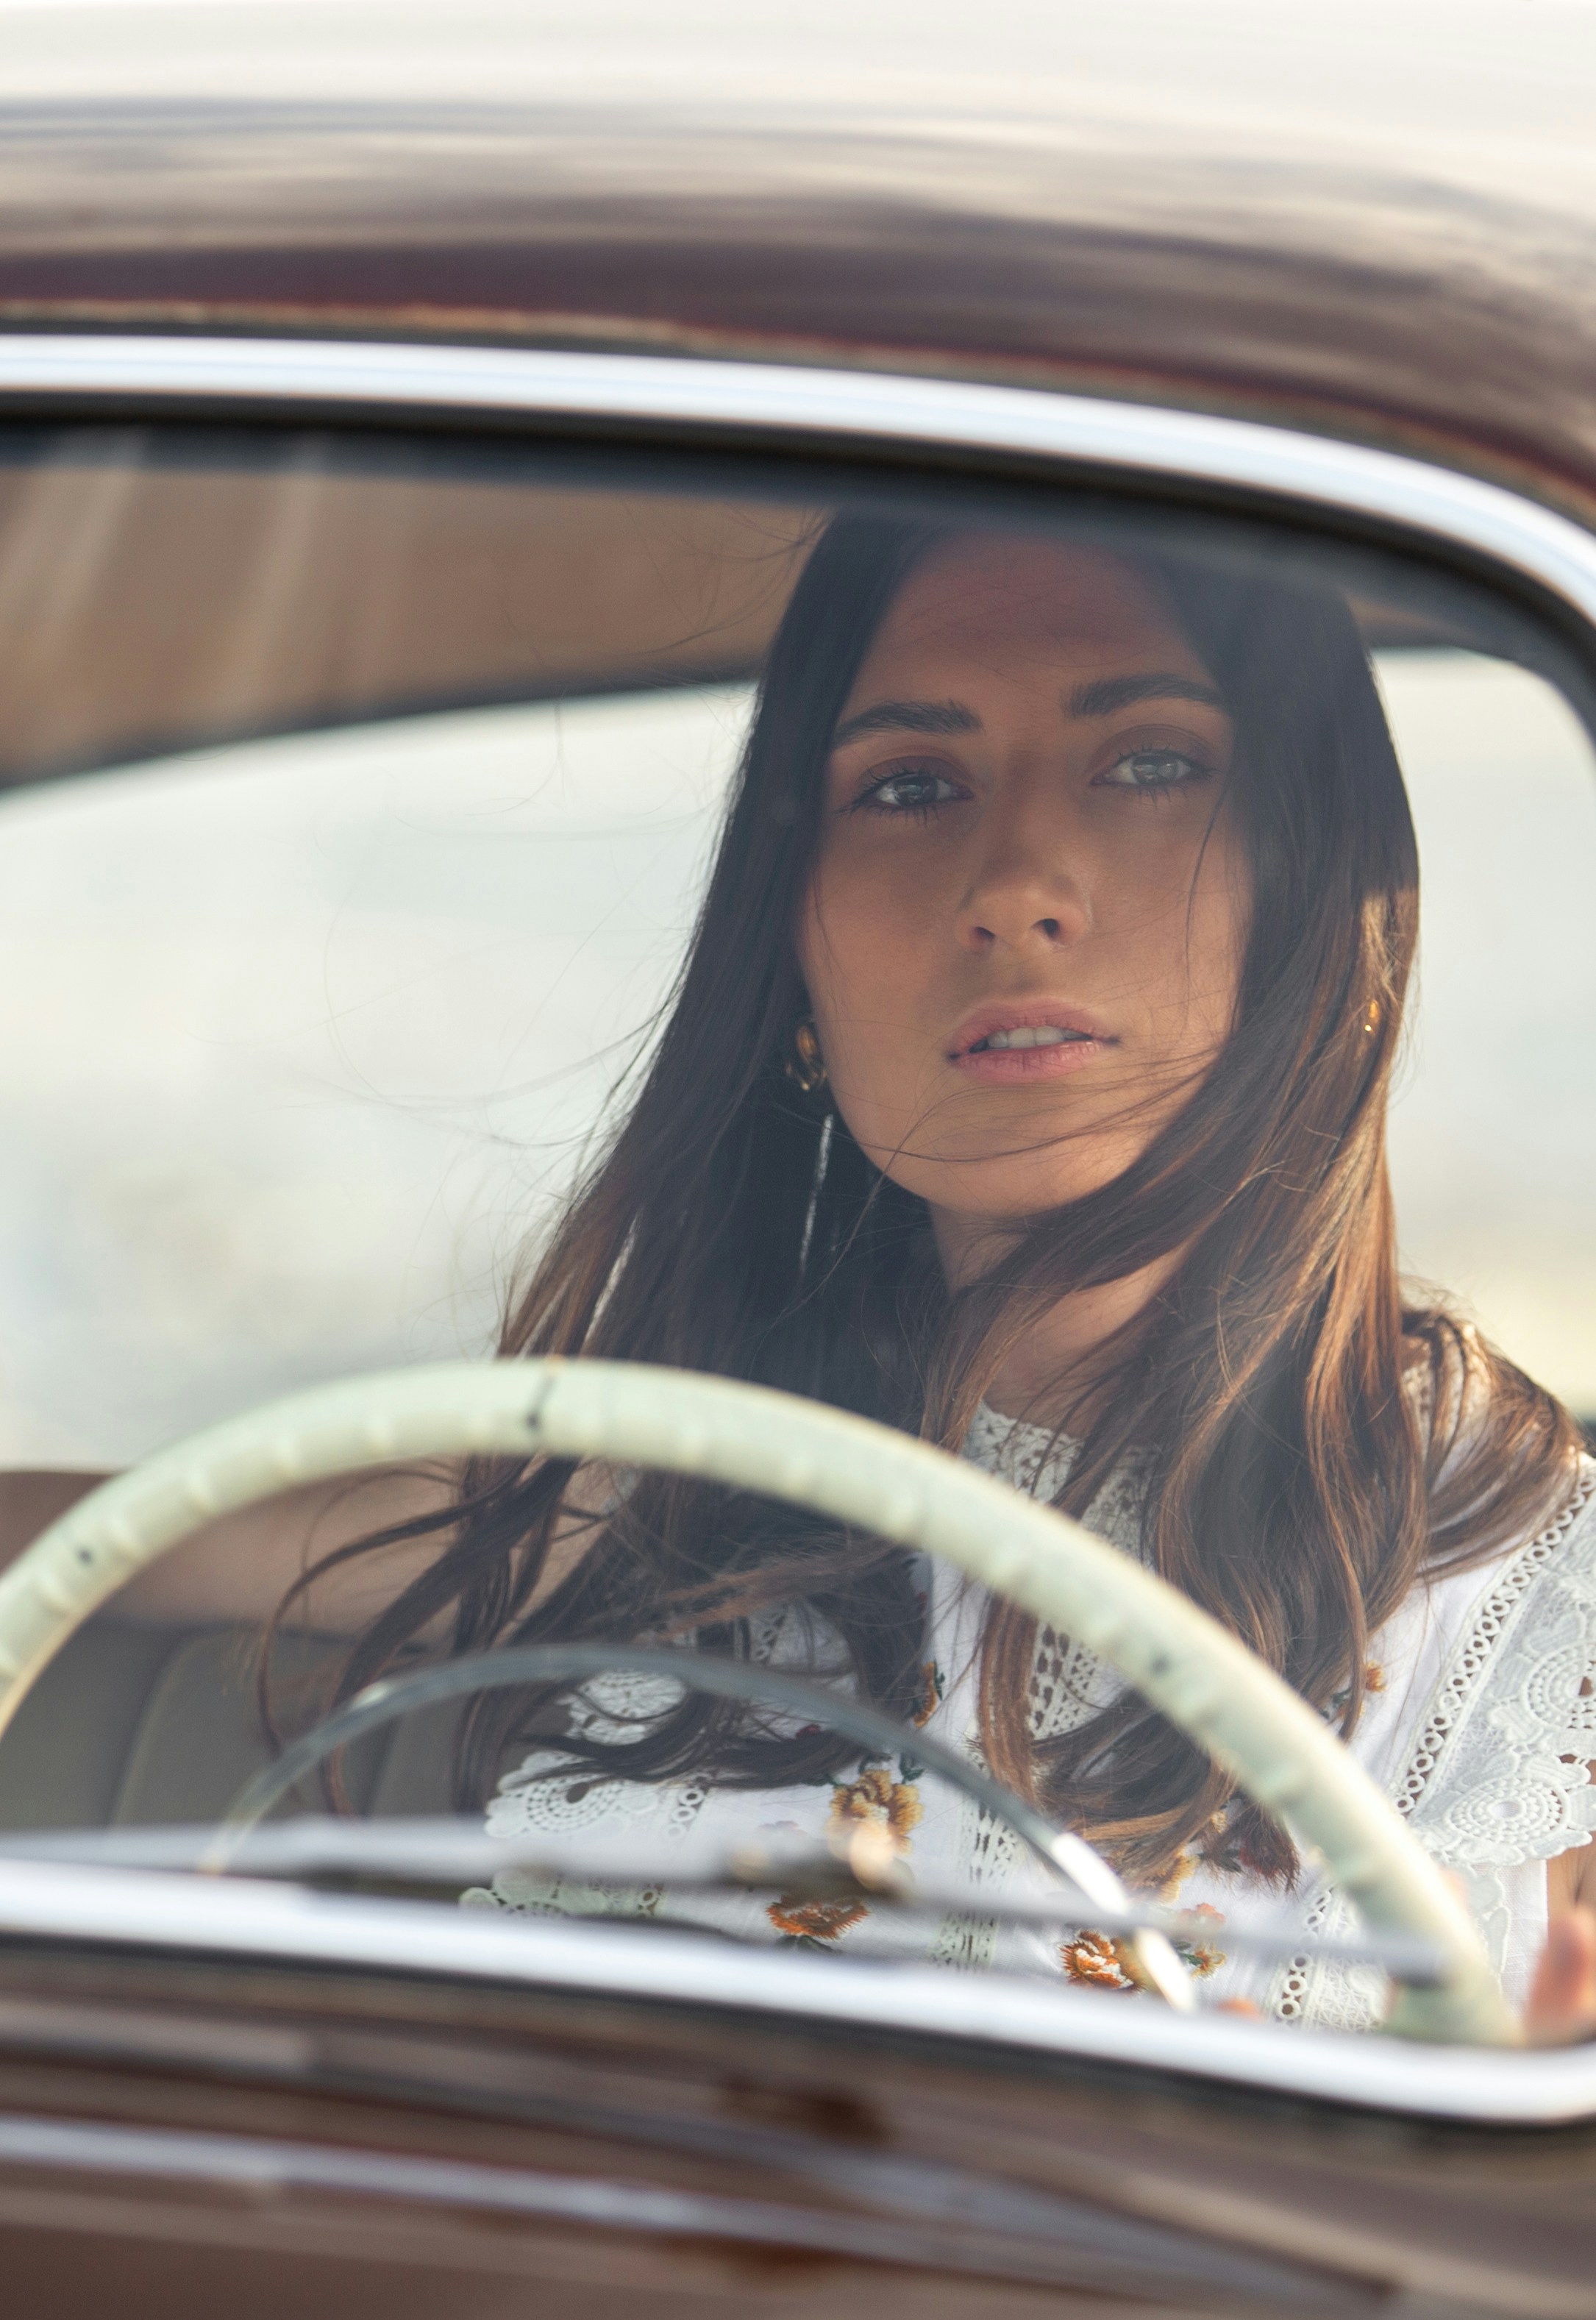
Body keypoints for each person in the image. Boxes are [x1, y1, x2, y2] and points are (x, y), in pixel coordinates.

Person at [62, 512, 1596, 2035]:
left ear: (1319, 894)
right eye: (909, 784)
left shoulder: (1533, 1610)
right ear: (792, 969)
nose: (1016, 880)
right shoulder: (678, 1490)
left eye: (1144, 761)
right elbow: (99, 1550)